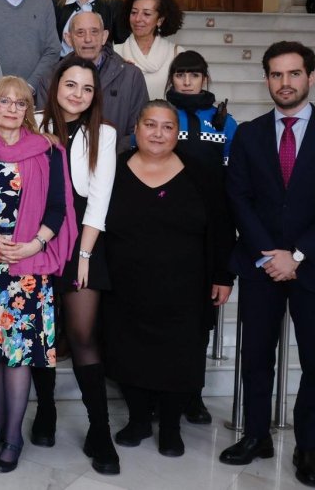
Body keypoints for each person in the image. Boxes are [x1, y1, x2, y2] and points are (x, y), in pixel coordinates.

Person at [219, 42, 315, 488]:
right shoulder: (249, 133)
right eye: (276, 75)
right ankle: (257, 436)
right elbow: (238, 197)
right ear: (266, 79)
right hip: (261, 265)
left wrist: (297, 254)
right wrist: (268, 254)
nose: (285, 82)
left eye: (294, 74)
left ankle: (307, 448)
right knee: (256, 356)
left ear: (310, 77)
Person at [103, 101, 234, 457]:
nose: (158, 133)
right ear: (136, 128)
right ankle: (139, 420)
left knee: (180, 357)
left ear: (178, 134)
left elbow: (223, 226)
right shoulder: (113, 169)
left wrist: (224, 275)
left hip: (186, 288)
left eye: (167, 127)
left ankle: (172, 426)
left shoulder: (201, 172)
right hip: (125, 286)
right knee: (128, 352)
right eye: (150, 124)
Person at [0, 75, 76, 474]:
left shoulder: (48, 150)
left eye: (20, 102)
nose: (12, 108)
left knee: (17, 354)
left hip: (29, 266)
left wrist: (36, 243)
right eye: (5, 102)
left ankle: (13, 435)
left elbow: (58, 206)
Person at [30, 54, 120, 475]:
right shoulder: (32, 122)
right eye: (71, 85)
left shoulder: (103, 133)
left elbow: (98, 201)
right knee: (42, 331)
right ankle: (45, 410)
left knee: (82, 333)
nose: (78, 94)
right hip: (36, 237)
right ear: (56, 84)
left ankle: (98, 428)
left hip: (84, 237)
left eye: (87, 88)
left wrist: (83, 255)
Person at [164, 50, 238, 425]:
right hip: (164, 230)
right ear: (172, 78)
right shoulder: (163, 116)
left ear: (205, 78)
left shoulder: (225, 122)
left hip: (209, 234)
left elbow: (233, 187)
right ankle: (155, 393)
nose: (187, 81)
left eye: (194, 74)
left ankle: (193, 394)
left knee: (198, 322)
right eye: (181, 74)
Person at [49, 11, 148, 153]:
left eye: (94, 32)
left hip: (117, 163)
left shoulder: (131, 76)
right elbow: (45, 125)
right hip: (64, 162)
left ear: (104, 36)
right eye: (80, 33)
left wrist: (111, 156)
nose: (88, 39)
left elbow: (140, 128)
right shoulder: (52, 76)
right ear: (68, 38)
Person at [117, 0, 185, 99]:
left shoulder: (176, 53)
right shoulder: (114, 53)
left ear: (160, 20)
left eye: (146, 14)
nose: (138, 19)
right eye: (134, 12)